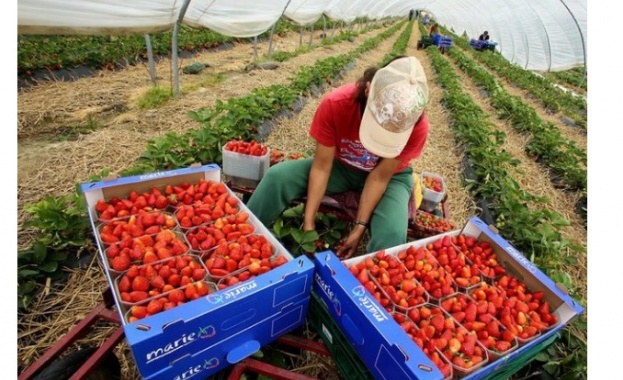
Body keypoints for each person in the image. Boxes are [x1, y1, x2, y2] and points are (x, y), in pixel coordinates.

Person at [246, 56, 430, 259]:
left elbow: (379, 177)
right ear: (368, 89)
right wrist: (308, 223)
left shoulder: (417, 126)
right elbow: (322, 167)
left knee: (392, 233)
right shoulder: (337, 104)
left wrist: (359, 227)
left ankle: (368, 286)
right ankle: (244, 238)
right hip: (342, 166)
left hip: (389, 178)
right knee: (277, 177)